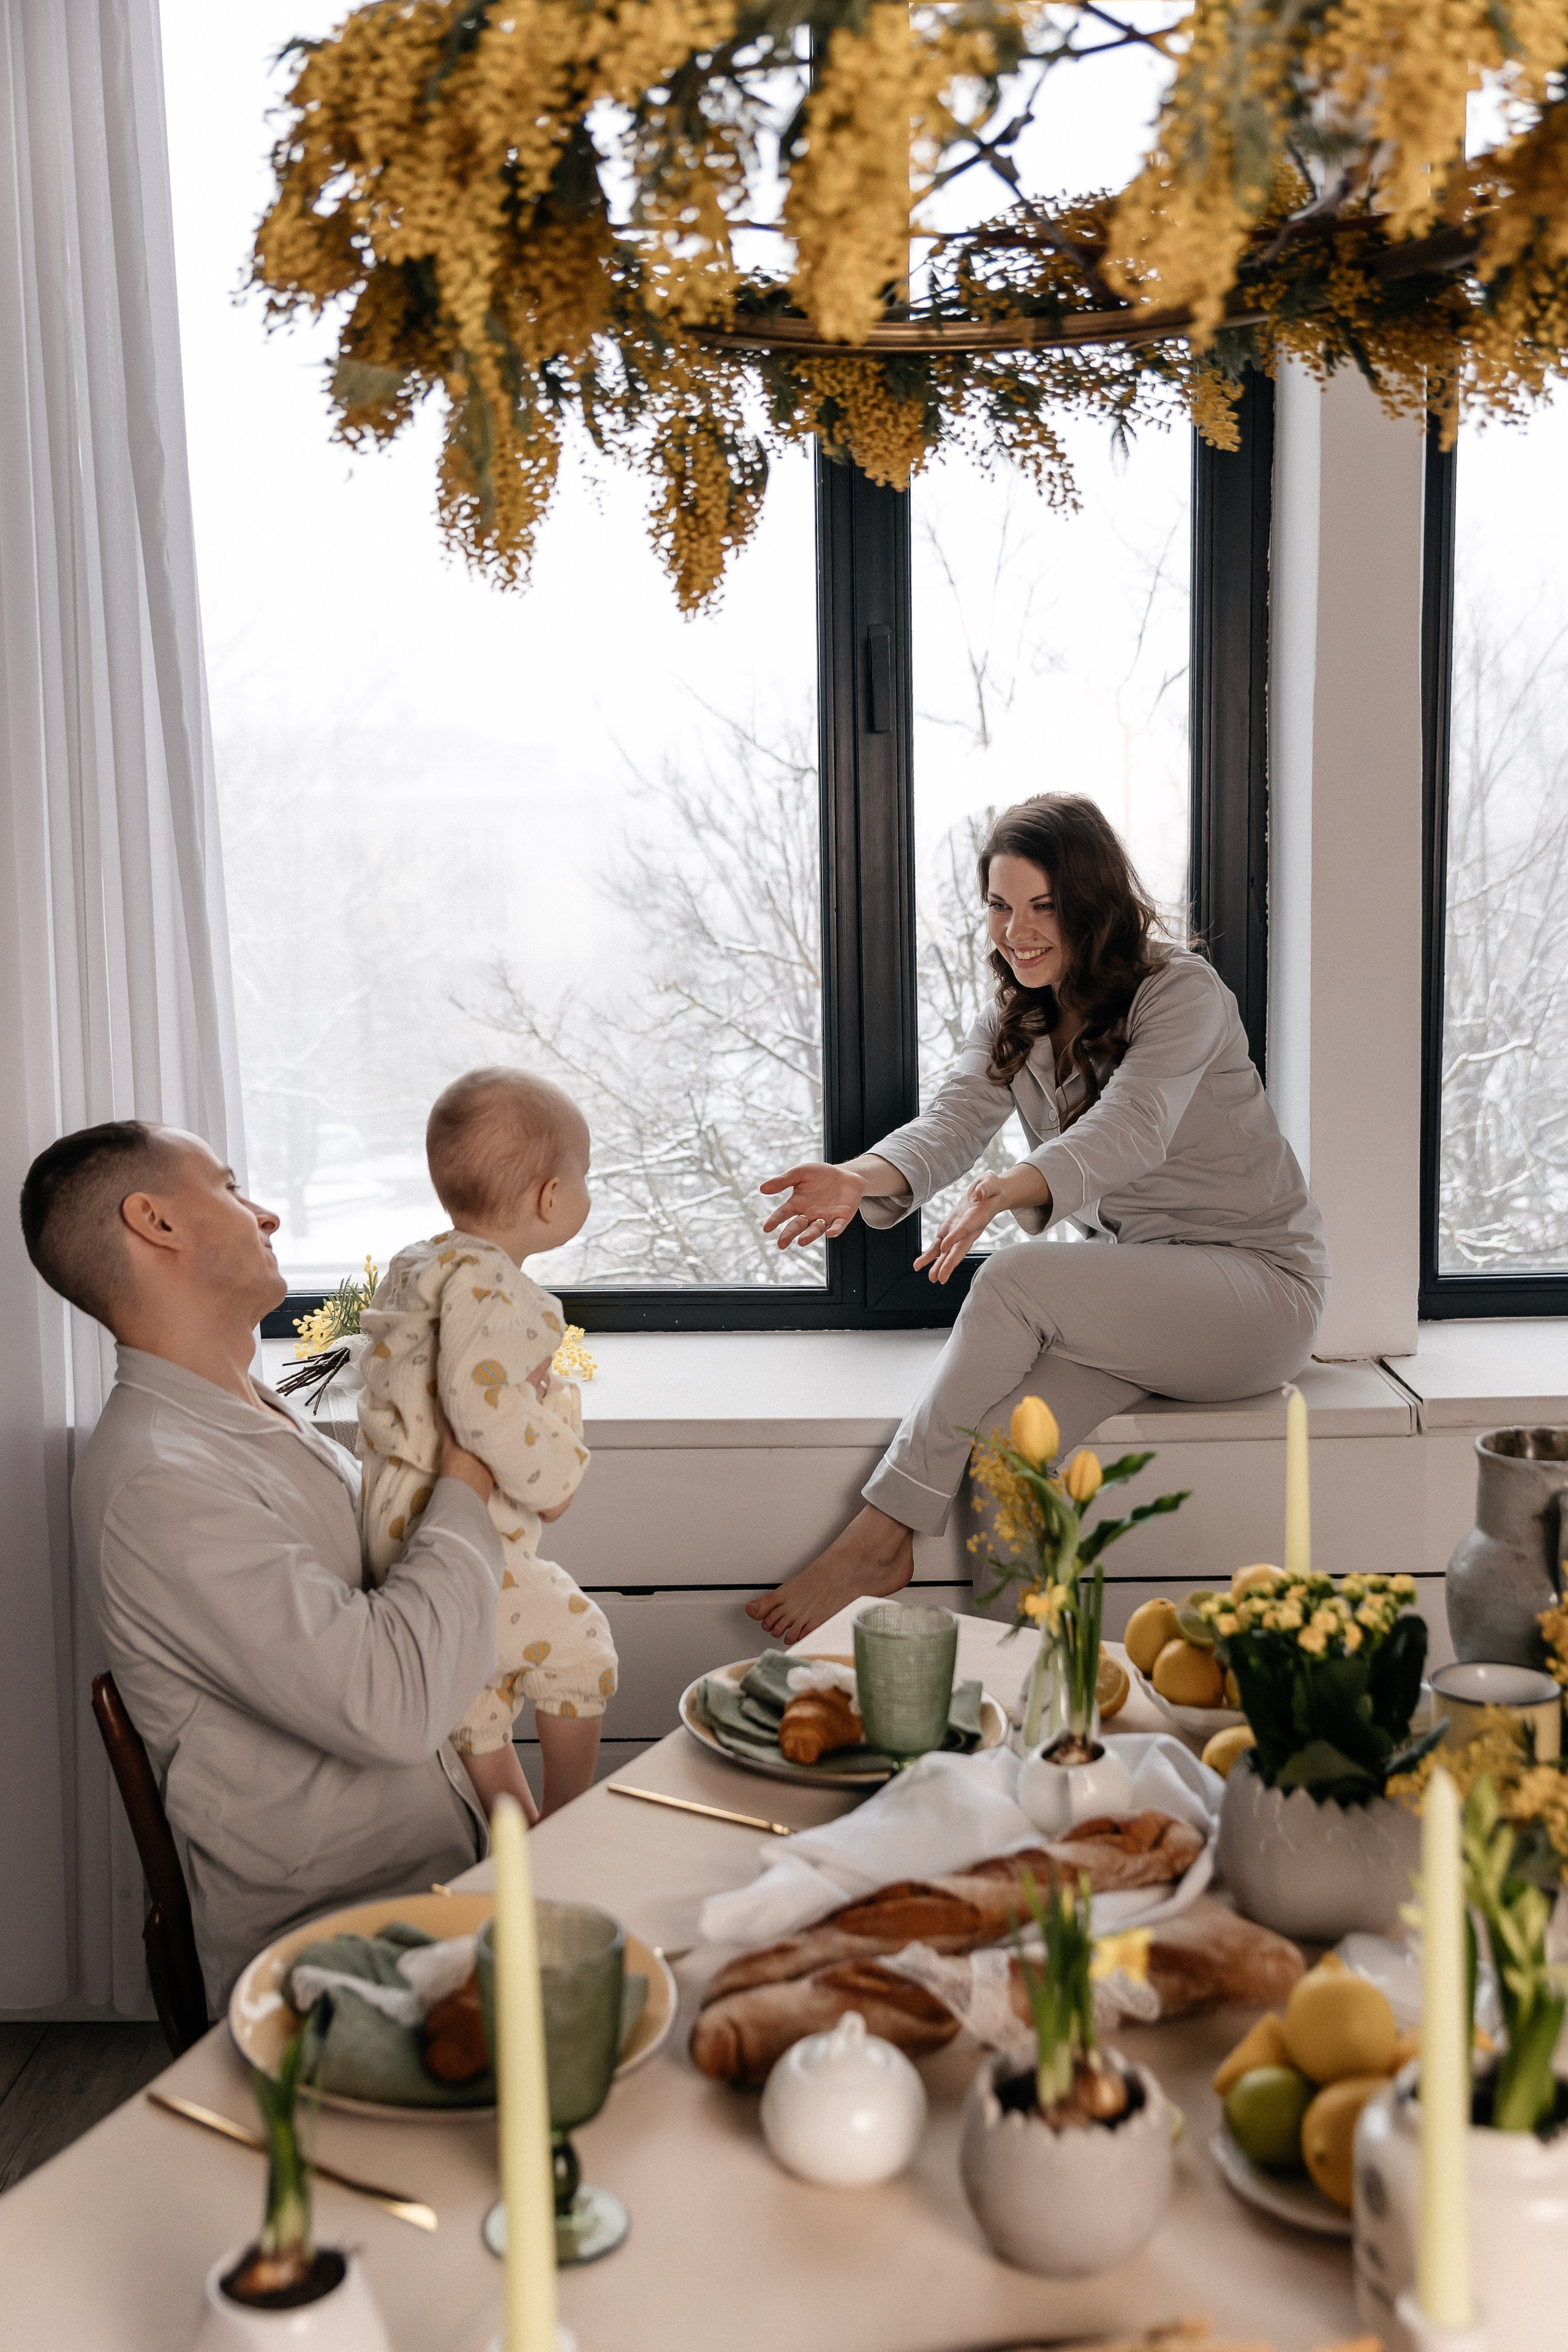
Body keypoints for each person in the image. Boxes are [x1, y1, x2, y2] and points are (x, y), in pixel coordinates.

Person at [749, 792, 1330, 1640]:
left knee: (1017, 1275)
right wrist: (855, 1176)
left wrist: (1005, 1189)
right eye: (999, 905)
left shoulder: (1180, 992)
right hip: (1143, 1297)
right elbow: (950, 1122)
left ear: (1090, 904)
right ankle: (1039, 1691)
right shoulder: (1016, 1015)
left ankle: (882, 1537)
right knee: (1004, 1456)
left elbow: (1132, 1125)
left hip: (1256, 1291)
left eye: (1043, 907)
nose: (1016, 930)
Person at [21, 1119, 505, 2008]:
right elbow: (395, 1703)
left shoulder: (258, 1415)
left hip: (451, 1880)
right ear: (156, 1223)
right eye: (233, 1186)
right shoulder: (160, 1482)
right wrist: (471, 1473)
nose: (268, 1214)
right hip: (346, 1955)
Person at [359, 1068, 617, 1823]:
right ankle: (570, 1817)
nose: (586, 1192)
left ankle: (518, 1827)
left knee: (477, 1694)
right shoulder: (498, 1289)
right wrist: (557, 1476)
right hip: (464, 1538)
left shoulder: (416, 1265)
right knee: (579, 1646)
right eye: (585, 1177)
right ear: (549, 1197)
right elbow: (482, 1410)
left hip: (396, 1534)